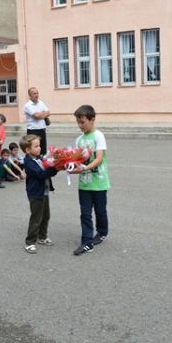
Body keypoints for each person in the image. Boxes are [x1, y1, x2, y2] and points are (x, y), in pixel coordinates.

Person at [69, 105, 110, 256]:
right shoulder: (79, 140)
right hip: (84, 184)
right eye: (78, 123)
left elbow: (99, 159)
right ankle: (87, 242)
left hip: (99, 182)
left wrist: (85, 168)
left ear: (92, 119)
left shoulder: (99, 136)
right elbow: (76, 160)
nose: (80, 126)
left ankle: (102, 232)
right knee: (85, 213)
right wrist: (66, 166)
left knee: (100, 211)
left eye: (83, 122)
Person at [20, 134, 58, 254]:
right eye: (36, 146)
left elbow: (47, 165)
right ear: (27, 150)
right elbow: (41, 174)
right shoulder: (29, 162)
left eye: (39, 145)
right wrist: (55, 169)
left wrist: (56, 161)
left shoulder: (39, 158)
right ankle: (30, 242)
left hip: (44, 192)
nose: (39, 148)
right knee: (36, 217)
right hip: (36, 194)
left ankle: (42, 237)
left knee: (46, 215)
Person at [24, 87, 51, 156]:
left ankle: (42, 165)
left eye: (37, 93)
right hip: (33, 131)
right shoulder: (28, 105)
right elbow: (36, 116)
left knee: (43, 150)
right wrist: (43, 114)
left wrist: (40, 115)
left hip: (42, 130)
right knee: (33, 151)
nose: (37, 95)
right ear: (30, 95)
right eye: (34, 94)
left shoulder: (41, 102)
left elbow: (48, 112)